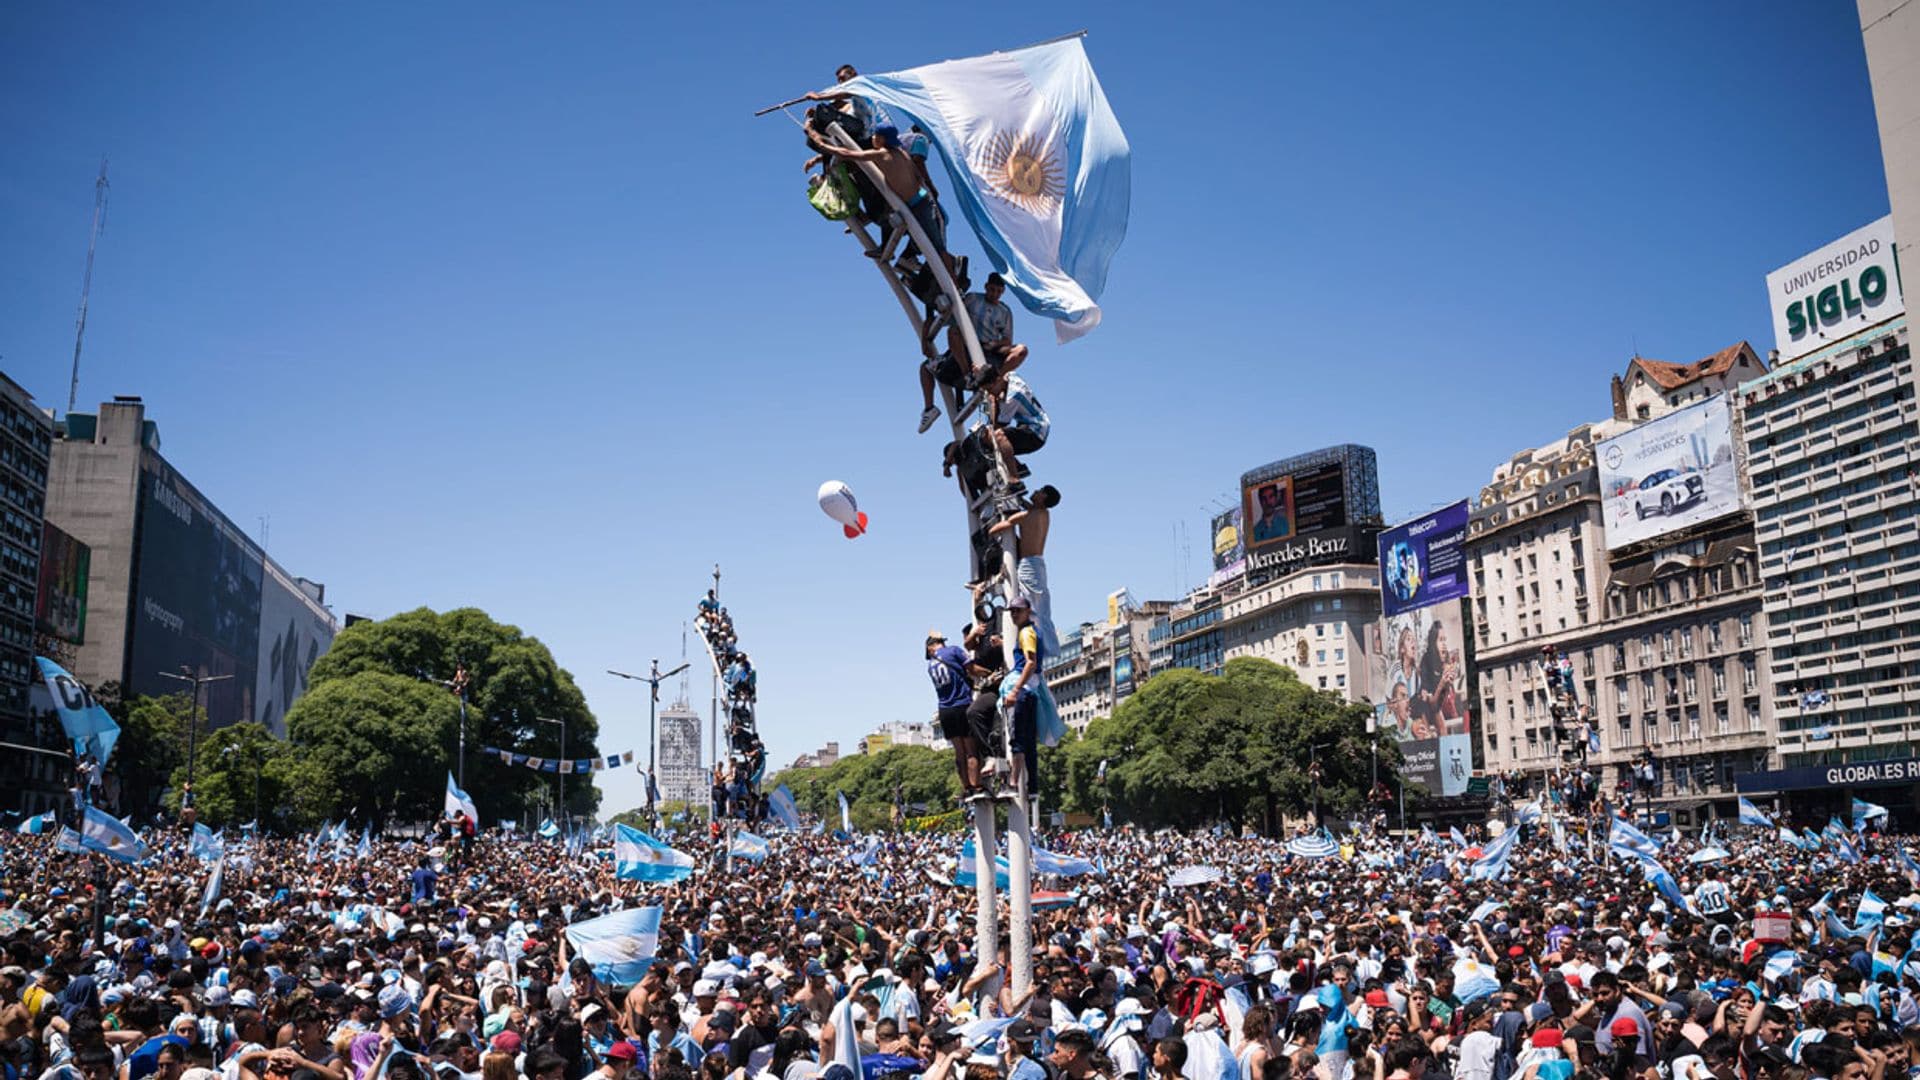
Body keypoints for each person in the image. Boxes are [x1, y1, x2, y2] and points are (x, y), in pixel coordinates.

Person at [987, 485, 1060, 656]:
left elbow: (999, 528)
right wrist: (1018, 500)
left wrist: (991, 529)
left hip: (1029, 566)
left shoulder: (1027, 515)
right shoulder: (1043, 514)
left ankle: (1041, 648)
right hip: (1038, 564)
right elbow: (1029, 508)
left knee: (1032, 609)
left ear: (1043, 497)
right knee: (1041, 609)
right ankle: (1047, 647)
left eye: (1039, 490)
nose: (1035, 491)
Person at [925, 630, 983, 799]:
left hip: (945, 710)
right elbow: (972, 669)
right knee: (971, 750)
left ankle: (966, 788)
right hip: (962, 705)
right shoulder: (954, 651)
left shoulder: (931, 665)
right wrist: (988, 673)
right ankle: (976, 786)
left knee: (959, 752)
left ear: (930, 648)